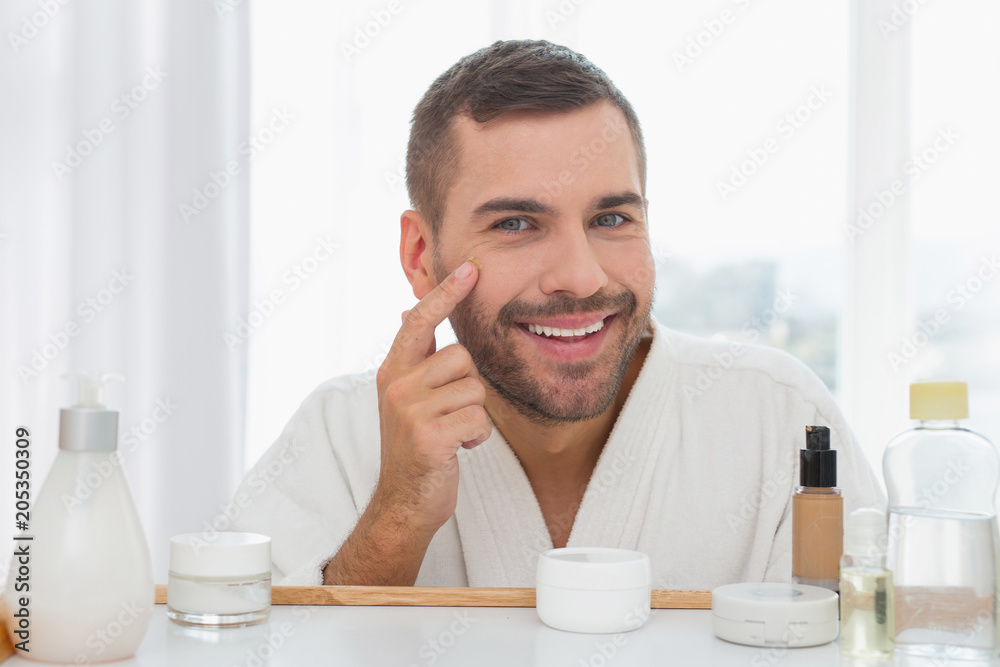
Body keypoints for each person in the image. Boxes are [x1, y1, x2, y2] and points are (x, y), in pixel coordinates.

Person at [227, 39, 883, 588]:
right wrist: (396, 516)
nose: (580, 276)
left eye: (611, 218)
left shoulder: (779, 421)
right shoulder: (341, 436)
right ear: (421, 255)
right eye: (516, 223)